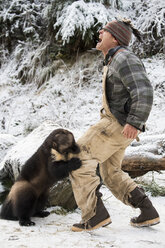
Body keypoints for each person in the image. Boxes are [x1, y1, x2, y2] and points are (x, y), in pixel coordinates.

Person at [69, 18, 160, 232]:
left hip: (117, 124)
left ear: (116, 38)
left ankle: (94, 215)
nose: (100, 32)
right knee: (110, 172)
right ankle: (147, 210)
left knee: (77, 157)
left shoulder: (123, 58)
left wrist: (135, 122)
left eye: (105, 31)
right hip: (120, 125)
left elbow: (144, 90)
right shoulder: (114, 59)